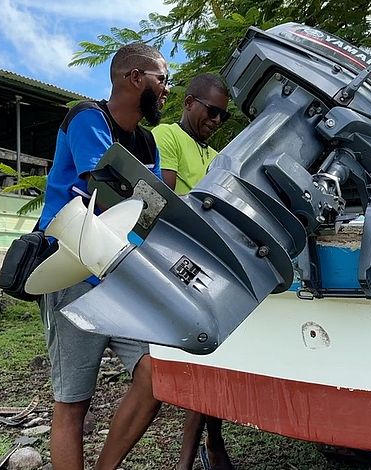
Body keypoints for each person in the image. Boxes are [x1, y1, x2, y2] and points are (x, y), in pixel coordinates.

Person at [38, 43, 170, 470]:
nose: (166, 89)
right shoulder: (87, 118)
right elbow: (108, 186)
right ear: (134, 78)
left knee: (155, 375)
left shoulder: (147, 143)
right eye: (161, 79)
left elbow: (153, 208)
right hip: (72, 270)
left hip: (120, 276)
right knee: (72, 402)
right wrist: (150, 203)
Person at [151, 73, 234, 470]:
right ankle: (198, 454)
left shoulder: (215, 156)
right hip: (175, 259)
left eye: (224, 117)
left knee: (211, 357)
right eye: (211, 111)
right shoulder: (166, 135)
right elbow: (167, 199)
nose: (216, 120)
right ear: (188, 103)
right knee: (199, 360)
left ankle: (207, 447)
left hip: (208, 263)